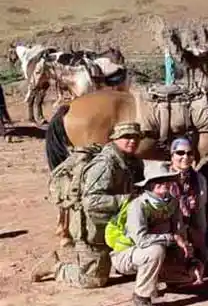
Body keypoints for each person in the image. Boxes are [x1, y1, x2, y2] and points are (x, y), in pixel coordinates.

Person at [31, 122, 143, 287]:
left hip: (112, 225)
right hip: (93, 229)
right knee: (92, 280)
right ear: (115, 139)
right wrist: (127, 199)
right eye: (126, 137)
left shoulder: (129, 160)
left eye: (135, 137)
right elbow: (91, 201)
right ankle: (56, 267)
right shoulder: (105, 164)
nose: (132, 141)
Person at [108, 167, 202, 306]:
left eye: (166, 180)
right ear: (148, 185)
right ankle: (141, 298)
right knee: (155, 251)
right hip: (126, 254)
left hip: (157, 250)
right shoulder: (137, 205)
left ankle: (161, 278)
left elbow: (180, 233)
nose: (162, 183)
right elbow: (141, 240)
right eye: (157, 181)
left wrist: (190, 258)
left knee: (189, 274)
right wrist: (171, 238)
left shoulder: (172, 203)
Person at [163, 138, 208, 265]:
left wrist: (201, 243)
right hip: (166, 230)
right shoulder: (161, 178)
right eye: (180, 153)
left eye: (189, 153)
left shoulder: (199, 180)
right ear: (172, 156)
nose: (185, 157)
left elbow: (200, 213)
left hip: (190, 228)